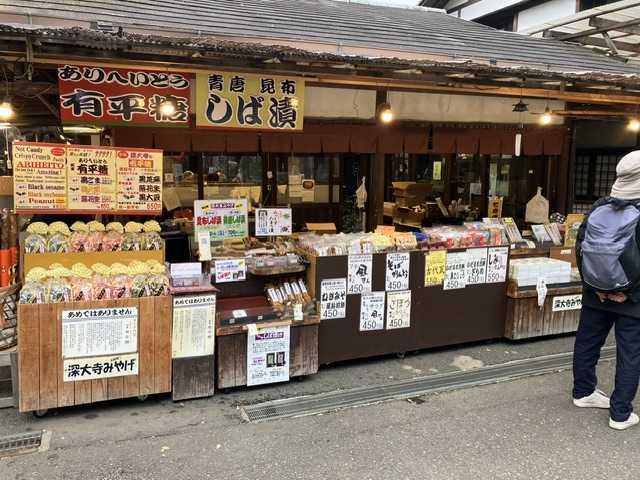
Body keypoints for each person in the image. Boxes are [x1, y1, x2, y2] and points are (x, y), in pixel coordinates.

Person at [574, 150, 640, 431]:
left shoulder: (600, 206)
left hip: (596, 294)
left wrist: (593, 287)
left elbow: (580, 248)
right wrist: (630, 294)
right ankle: (620, 414)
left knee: (587, 342)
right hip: (632, 300)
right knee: (630, 353)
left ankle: (583, 392)